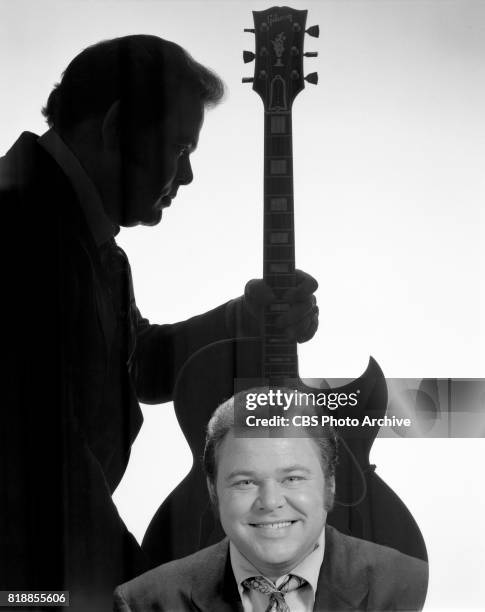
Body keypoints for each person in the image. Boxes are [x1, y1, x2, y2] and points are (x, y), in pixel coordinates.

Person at [0, 36, 318, 611]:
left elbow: (137, 364)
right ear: (117, 127)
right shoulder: (19, 225)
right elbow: (52, 460)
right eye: (178, 147)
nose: (188, 175)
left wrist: (246, 318)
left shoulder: (76, 231)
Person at [114, 392, 428, 611]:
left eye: (292, 478)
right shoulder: (144, 602)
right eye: (245, 482)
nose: (270, 501)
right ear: (213, 491)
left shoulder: (411, 584)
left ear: (329, 485)